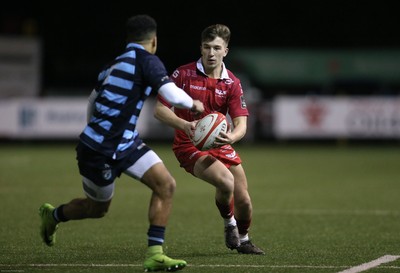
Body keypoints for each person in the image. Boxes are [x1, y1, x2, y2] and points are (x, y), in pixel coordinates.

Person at [38, 14, 204, 272]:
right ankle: (53, 215)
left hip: (126, 144)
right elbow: (169, 92)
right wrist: (192, 104)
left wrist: (96, 128)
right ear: (154, 40)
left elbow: (92, 101)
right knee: (97, 209)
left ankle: (155, 254)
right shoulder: (147, 60)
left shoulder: (112, 65)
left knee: (166, 184)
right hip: (98, 151)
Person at [154, 24, 264, 255]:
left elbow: (242, 124)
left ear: (226, 50)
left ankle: (243, 240)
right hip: (188, 144)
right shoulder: (182, 74)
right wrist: (185, 125)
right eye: (206, 47)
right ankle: (229, 224)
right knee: (225, 182)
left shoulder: (232, 82)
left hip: (219, 143)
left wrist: (231, 136)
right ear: (201, 48)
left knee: (244, 200)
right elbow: (160, 110)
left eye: (216, 48)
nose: (211, 53)